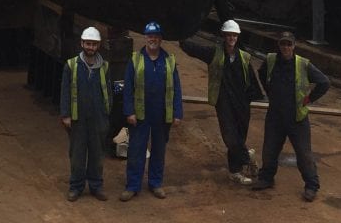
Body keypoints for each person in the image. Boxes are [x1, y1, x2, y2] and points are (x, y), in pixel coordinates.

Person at [180, 20, 262, 184]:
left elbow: (252, 81)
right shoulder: (214, 53)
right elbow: (193, 49)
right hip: (223, 102)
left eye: (234, 35)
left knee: (239, 137)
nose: (231, 37)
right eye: (229, 35)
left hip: (241, 104)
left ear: (237, 37)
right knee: (230, 138)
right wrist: (181, 36)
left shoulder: (244, 57)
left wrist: (255, 97)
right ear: (224, 36)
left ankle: (235, 172)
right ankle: (248, 157)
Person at [252, 31, 330, 202]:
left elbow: (324, 82)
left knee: (304, 154)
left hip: (297, 118)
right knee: (270, 150)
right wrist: (269, 92)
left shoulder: (303, 64)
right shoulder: (271, 60)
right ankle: (266, 178)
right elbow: (262, 73)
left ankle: (311, 186)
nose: (286, 47)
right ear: (278, 45)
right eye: (283, 44)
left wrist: (309, 98)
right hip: (275, 115)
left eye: (289, 44)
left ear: (294, 46)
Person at [120, 21, 183, 201]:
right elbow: (128, 88)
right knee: (136, 150)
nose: (152, 39)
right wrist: (129, 112)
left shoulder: (169, 60)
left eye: (156, 36)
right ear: (145, 38)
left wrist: (177, 113)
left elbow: (176, 88)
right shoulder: (135, 59)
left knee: (159, 151)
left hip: (162, 114)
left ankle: (155, 183)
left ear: (161, 39)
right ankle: (132, 186)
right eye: (149, 36)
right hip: (140, 114)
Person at [60, 26, 112, 202]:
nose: (90, 47)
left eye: (94, 44)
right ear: (82, 43)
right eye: (88, 44)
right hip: (78, 118)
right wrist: (65, 114)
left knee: (97, 155)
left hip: (98, 117)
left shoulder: (104, 67)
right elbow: (65, 91)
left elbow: (109, 92)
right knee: (77, 155)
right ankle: (76, 187)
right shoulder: (72, 65)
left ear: (98, 46)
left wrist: (107, 115)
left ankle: (96, 186)